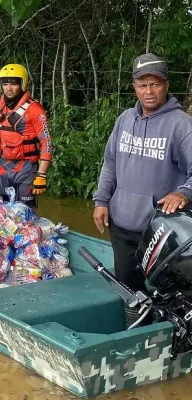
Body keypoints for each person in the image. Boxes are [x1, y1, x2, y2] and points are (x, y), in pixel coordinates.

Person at [92, 53, 192, 324]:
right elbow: (110, 163)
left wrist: (183, 192)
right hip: (122, 226)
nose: (148, 91)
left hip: (162, 234)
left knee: (171, 297)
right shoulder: (125, 119)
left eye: (155, 84)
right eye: (142, 84)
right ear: (134, 87)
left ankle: (169, 348)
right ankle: (136, 342)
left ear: (166, 85)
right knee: (130, 292)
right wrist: (101, 201)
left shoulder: (181, 124)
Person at [0, 64, 53, 208]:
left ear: (22, 84)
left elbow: (47, 142)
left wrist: (41, 174)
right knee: (2, 212)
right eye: (5, 84)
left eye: (13, 84)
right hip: (3, 167)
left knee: (24, 212)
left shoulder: (35, 110)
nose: (9, 88)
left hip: (26, 169)